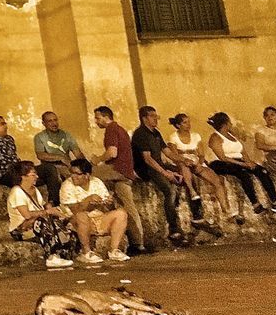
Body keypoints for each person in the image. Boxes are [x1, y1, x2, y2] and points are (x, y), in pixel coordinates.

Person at [131, 105, 199, 244]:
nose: (156, 119)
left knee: (186, 173)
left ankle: (197, 215)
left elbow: (167, 152)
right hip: (146, 169)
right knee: (169, 191)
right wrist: (166, 173)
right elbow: (148, 159)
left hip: (158, 164)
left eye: (156, 116)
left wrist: (183, 160)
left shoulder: (156, 133)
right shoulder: (140, 134)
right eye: (152, 116)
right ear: (144, 118)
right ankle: (173, 229)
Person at [205, 112, 276, 217]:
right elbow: (222, 157)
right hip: (221, 163)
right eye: (229, 122)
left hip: (238, 161)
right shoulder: (215, 137)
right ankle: (255, 204)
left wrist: (249, 162)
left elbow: (242, 151)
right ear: (225, 123)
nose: (231, 124)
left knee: (262, 171)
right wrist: (244, 165)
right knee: (243, 174)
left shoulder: (231, 135)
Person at [91, 106, 147, 254]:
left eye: (97, 118)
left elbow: (112, 153)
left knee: (86, 173)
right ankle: (138, 243)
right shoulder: (120, 129)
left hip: (118, 170)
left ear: (105, 116)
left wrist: (97, 159)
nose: (96, 121)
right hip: (125, 173)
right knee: (128, 206)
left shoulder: (111, 129)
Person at [5, 161, 75, 268]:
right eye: (33, 175)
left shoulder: (35, 190)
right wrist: (46, 212)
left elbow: (41, 206)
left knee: (61, 221)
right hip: (22, 228)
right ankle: (51, 256)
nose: (37, 177)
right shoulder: (17, 192)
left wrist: (52, 208)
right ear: (23, 177)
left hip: (35, 223)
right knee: (43, 222)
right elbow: (27, 215)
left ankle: (64, 252)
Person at [60, 158, 130, 264]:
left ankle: (114, 250)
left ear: (87, 175)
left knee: (121, 213)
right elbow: (74, 211)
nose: (73, 176)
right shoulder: (67, 185)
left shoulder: (96, 182)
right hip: (77, 222)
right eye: (72, 173)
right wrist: (88, 200)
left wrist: (108, 202)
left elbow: (108, 207)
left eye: (77, 174)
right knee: (81, 216)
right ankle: (86, 252)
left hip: (98, 218)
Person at [167, 112, 234, 223]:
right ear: (178, 125)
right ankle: (192, 191)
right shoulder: (173, 137)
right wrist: (184, 160)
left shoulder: (195, 136)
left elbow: (201, 154)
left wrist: (199, 162)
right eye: (185, 122)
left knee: (217, 180)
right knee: (184, 167)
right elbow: (174, 155)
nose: (188, 124)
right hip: (182, 162)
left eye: (189, 122)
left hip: (196, 161)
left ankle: (225, 209)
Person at [33, 111, 84, 206]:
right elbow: (40, 155)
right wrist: (60, 157)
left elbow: (77, 153)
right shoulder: (39, 137)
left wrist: (84, 166)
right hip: (50, 168)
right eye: (50, 121)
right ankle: (57, 204)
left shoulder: (66, 135)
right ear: (44, 123)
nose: (54, 123)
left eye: (55, 120)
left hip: (67, 166)